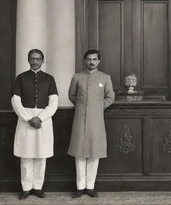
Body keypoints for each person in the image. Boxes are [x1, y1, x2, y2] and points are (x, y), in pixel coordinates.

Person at [11, 49, 58, 199]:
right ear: (28, 60)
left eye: (38, 59)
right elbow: (15, 101)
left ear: (42, 60)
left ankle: (37, 187)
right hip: (25, 119)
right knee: (26, 155)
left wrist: (40, 118)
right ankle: (26, 187)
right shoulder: (21, 78)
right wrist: (28, 118)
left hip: (44, 120)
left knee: (41, 155)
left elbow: (54, 102)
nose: (35, 61)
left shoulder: (49, 79)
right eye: (32, 58)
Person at [68, 49, 115, 198]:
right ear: (85, 61)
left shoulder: (105, 78)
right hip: (80, 119)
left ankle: (90, 186)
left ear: (99, 61)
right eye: (89, 59)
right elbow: (72, 95)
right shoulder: (77, 77)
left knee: (94, 153)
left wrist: (97, 107)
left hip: (97, 120)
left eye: (94, 59)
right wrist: (83, 106)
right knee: (79, 153)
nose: (91, 62)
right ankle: (80, 187)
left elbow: (110, 96)